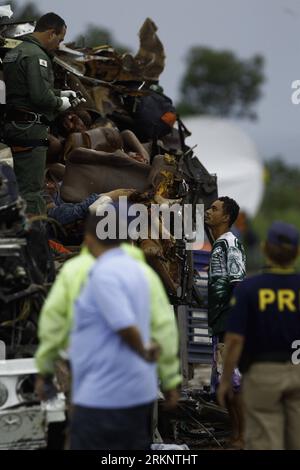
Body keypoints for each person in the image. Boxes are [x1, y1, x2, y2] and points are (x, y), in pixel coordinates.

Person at [35, 202, 181, 415]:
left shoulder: (73, 271)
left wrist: (44, 371)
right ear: (131, 237)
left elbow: (51, 325)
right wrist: (170, 380)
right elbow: (164, 330)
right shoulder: (145, 276)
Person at [218, 221, 300, 450]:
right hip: (298, 370)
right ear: (297, 253)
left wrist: (226, 380)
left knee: (265, 439)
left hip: (262, 374)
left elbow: (234, 340)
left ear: (264, 248)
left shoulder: (249, 288)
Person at [3, 12, 81, 215]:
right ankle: (33, 240)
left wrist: (60, 92)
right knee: (31, 191)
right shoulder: (37, 56)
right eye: (60, 39)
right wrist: (60, 103)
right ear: (50, 33)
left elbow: (24, 91)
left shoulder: (16, 52)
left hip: (14, 125)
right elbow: (39, 97)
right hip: (31, 129)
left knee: (17, 184)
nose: (59, 45)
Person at [205, 196, 246, 448]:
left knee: (234, 383)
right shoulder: (219, 244)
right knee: (227, 382)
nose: (209, 212)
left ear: (226, 217)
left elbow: (238, 284)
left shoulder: (230, 244)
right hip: (222, 323)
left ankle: (243, 436)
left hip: (230, 325)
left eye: (214, 209)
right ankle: (236, 435)